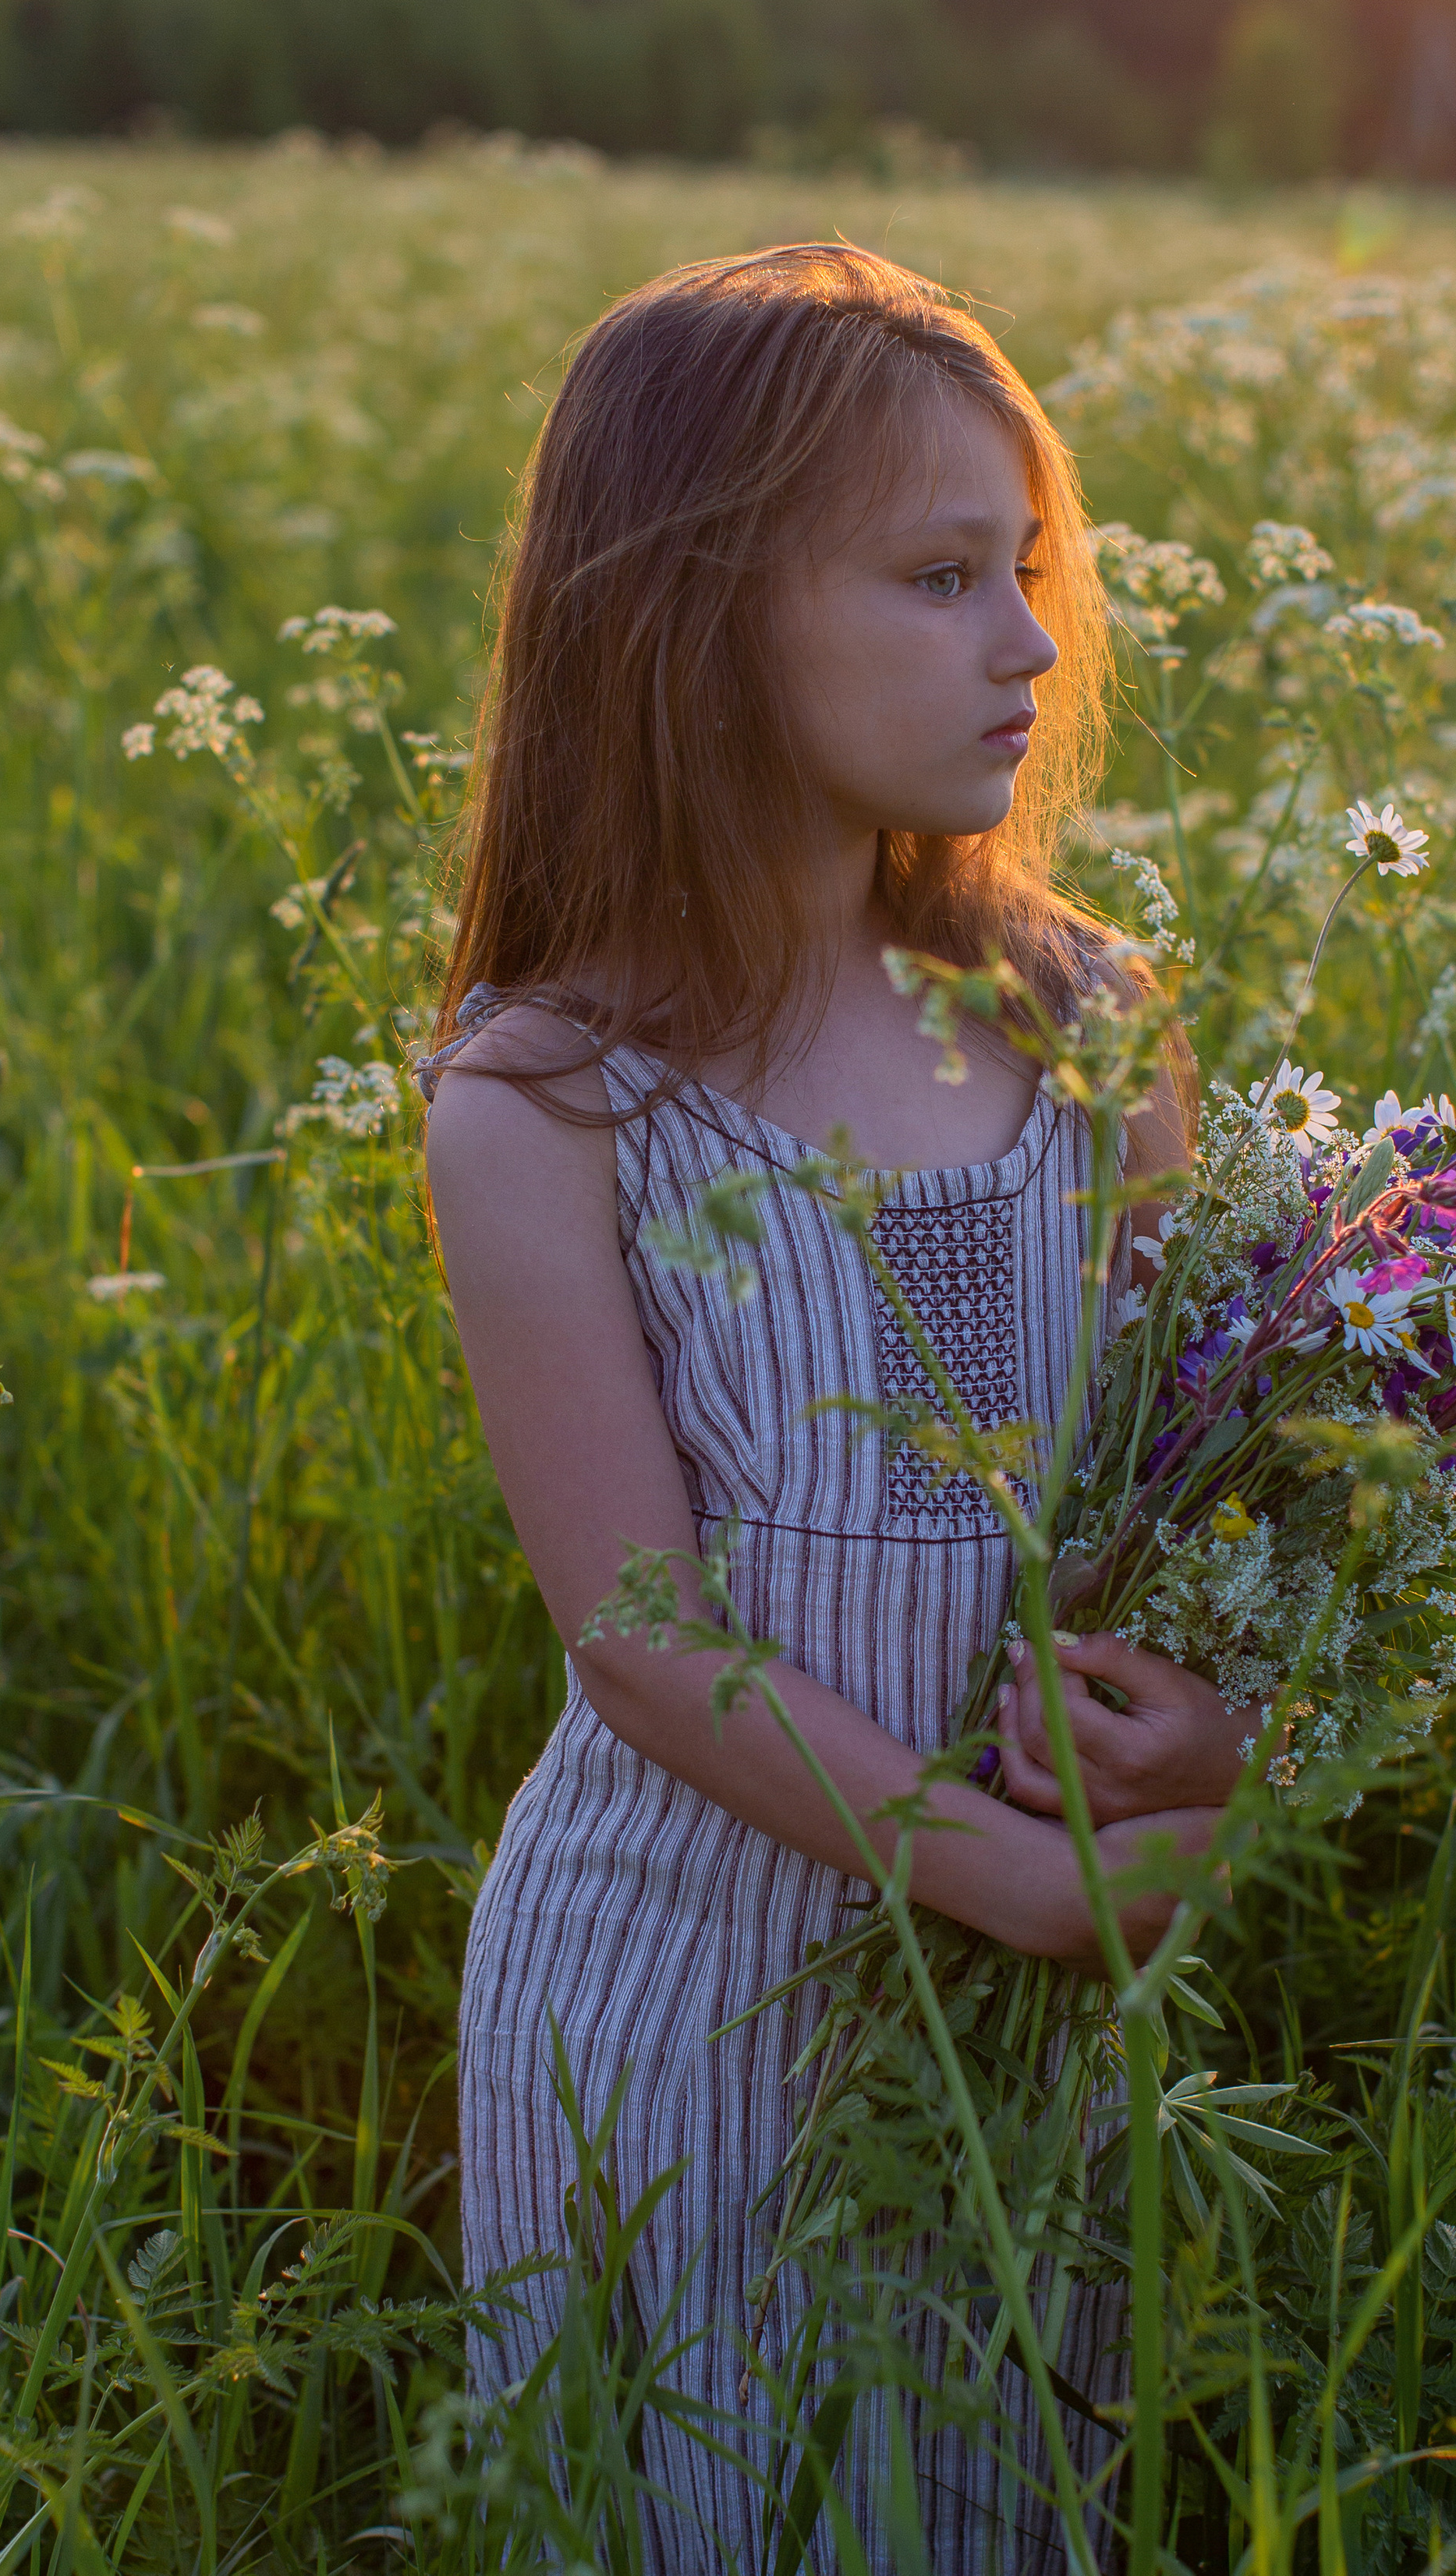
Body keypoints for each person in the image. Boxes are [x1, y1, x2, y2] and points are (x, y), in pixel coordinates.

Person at [420, 244, 1261, 2570]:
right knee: (718, 2497)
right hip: (685, 1987)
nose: (1031, 645)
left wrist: (1196, 1747)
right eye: (933, 577)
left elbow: (1197, 1507)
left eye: (1027, 573)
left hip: (1038, 2002)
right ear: (692, 611)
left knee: (999, 2493)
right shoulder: (554, 1100)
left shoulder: (1087, 1023)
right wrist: (1015, 1878)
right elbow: (640, 1629)